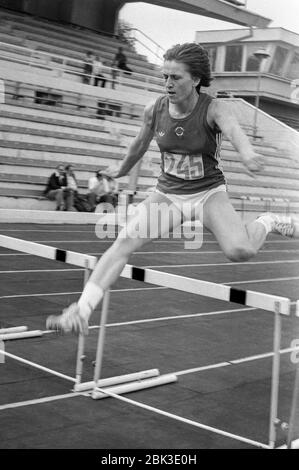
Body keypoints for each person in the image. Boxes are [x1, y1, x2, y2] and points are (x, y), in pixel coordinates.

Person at [46, 42, 299, 335]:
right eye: (165, 76)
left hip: (207, 193)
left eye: (175, 77)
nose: (168, 84)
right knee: (124, 242)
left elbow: (234, 131)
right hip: (168, 193)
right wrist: (123, 169)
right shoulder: (155, 109)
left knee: (240, 251)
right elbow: (139, 144)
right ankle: (81, 310)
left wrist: (247, 153)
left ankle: (268, 222)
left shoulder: (215, 108)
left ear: (195, 80)